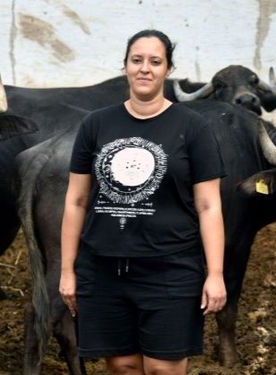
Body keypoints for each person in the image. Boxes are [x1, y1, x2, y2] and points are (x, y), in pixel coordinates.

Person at [59, 29, 227, 375]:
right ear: (125, 67)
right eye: (137, 60)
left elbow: (209, 206)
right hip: (103, 269)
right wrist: (67, 270)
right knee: (122, 367)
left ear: (167, 69)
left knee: (163, 369)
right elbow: (76, 201)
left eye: (155, 61)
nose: (145, 69)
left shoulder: (192, 127)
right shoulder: (96, 124)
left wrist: (215, 274)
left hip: (171, 268)